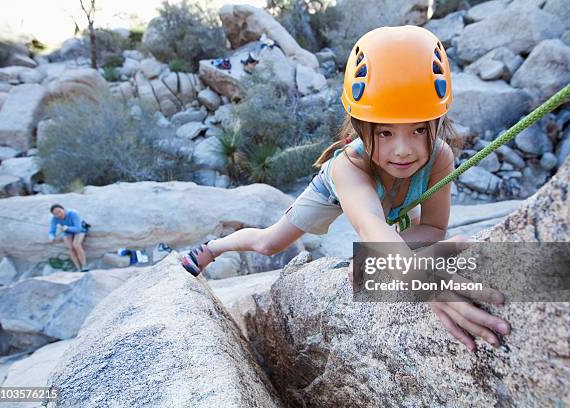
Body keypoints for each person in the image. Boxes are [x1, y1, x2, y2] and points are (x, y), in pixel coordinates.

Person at [182, 26, 510, 352]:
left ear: (438, 122)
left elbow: (435, 227)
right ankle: (214, 248)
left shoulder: (440, 156)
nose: (403, 150)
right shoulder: (347, 167)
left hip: (391, 199)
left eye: (418, 130)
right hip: (334, 191)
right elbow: (371, 224)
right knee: (269, 243)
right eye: (384, 133)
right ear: (359, 127)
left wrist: (385, 259)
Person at [48, 204, 89, 272]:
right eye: (55, 214)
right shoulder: (54, 219)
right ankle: (78, 267)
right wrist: (51, 236)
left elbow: (78, 228)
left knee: (76, 245)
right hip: (67, 230)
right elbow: (52, 230)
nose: (58, 214)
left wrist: (68, 228)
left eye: (59, 211)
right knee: (69, 247)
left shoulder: (73, 213)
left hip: (80, 228)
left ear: (63, 209)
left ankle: (84, 266)